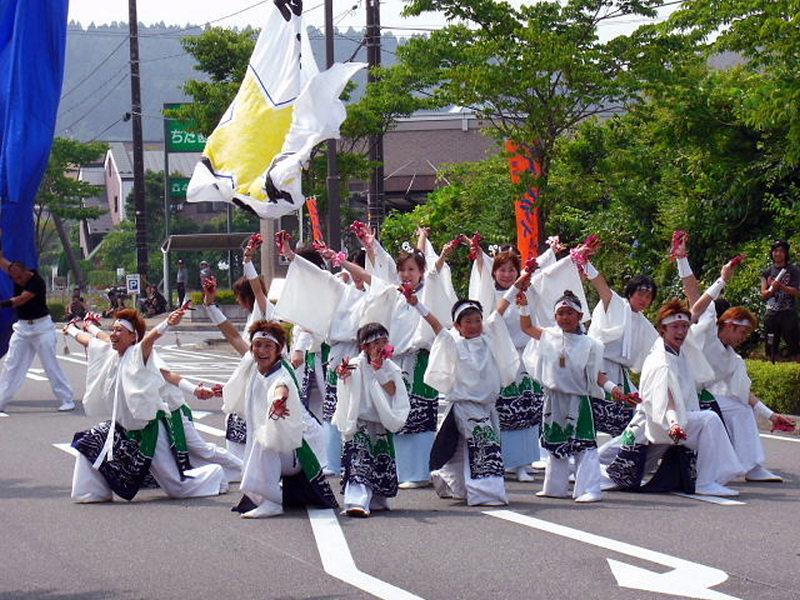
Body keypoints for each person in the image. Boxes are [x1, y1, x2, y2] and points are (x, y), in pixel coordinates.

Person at [336, 225, 458, 489]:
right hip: (395, 360)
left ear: (421, 272)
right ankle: (403, 470)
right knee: (395, 412)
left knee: (420, 414)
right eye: (403, 270)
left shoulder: (427, 290)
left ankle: (421, 470)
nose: (405, 274)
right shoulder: (393, 292)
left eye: (412, 270)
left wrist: (439, 250)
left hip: (418, 359)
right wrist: (349, 258)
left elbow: (435, 272)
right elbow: (371, 278)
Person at [64, 307, 228, 502]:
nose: (113, 334)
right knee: (89, 442)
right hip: (123, 429)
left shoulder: (139, 354)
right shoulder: (110, 351)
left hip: (150, 430)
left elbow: (152, 342)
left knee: (177, 487)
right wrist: (72, 330)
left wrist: (167, 322)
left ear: (133, 337)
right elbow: (91, 339)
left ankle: (216, 475)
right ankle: (91, 492)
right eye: (113, 329)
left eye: (119, 330)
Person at [676, 248, 796, 482]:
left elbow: (743, 394)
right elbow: (694, 295)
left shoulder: (733, 360)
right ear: (728, 325)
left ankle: (751, 467)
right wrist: (682, 258)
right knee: (639, 448)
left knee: (741, 409)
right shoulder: (707, 330)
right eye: (741, 332)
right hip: (676, 394)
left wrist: (771, 416)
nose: (743, 338)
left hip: (700, 399)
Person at [222, 319, 337, 518]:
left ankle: (272, 502)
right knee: (260, 439)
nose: (262, 350)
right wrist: (211, 306)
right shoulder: (254, 367)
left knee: (263, 439)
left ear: (279, 349)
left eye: (268, 346)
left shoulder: (281, 373)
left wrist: (278, 401)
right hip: (280, 448)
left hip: (296, 452)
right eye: (257, 345)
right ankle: (264, 497)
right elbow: (233, 337)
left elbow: (281, 388)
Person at [630, 299, 744, 496]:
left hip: (672, 424)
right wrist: (674, 423)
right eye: (675, 327)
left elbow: (697, 310)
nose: (681, 331)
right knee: (709, 420)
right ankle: (706, 482)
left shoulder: (678, 351)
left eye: (684, 327)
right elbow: (666, 399)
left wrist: (722, 280)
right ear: (662, 330)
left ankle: (709, 477)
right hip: (659, 424)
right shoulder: (661, 362)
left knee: (612, 466)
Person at [519, 285, 608, 503]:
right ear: (555, 316)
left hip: (578, 399)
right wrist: (523, 306)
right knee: (555, 442)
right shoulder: (549, 335)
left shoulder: (591, 344)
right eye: (560, 313)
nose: (565, 317)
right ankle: (555, 487)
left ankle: (590, 488)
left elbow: (599, 375)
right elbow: (527, 327)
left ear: (579, 316)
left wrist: (615, 389)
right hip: (553, 398)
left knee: (584, 444)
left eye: (570, 313)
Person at [334, 323, 410, 517]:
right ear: (364, 346)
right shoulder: (355, 364)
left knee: (379, 460)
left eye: (384, 341)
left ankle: (377, 499)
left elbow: (395, 391)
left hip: (379, 422)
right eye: (376, 342)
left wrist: (379, 371)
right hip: (360, 421)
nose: (381, 346)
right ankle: (356, 501)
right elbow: (344, 379)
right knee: (359, 459)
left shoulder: (390, 367)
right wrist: (343, 375)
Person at [584, 258, 659, 438]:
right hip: (597, 366)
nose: (644, 299)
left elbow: (659, 348)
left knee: (637, 410)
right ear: (631, 293)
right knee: (594, 411)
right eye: (641, 294)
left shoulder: (645, 324)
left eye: (648, 297)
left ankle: (618, 454)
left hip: (620, 373)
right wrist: (585, 263)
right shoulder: (617, 304)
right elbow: (601, 286)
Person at [0, 252, 76, 413]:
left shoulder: (37, 282)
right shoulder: (15, 271)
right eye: (14, 278)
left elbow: (20, 299)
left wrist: (2, 304)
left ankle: (66, 399)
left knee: (50, 365)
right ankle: (1, 401)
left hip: (42, 328)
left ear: (26, 272)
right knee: (11, 364)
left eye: (19, 278)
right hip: (22, 328)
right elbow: (4, 263)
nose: (17, 281)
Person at [760, 240, 800, 360]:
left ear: (786, 253)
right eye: (775, 251)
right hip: (771, 312)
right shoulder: (767, 272)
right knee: (771, 344)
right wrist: (771, 291)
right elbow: (763, 294)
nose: (778, 254)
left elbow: (798, 292)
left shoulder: (794, 270)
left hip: (789, 312)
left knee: (794, 344)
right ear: (772, 253)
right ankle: (772, 364)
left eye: (781, 251)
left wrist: (781, 287)